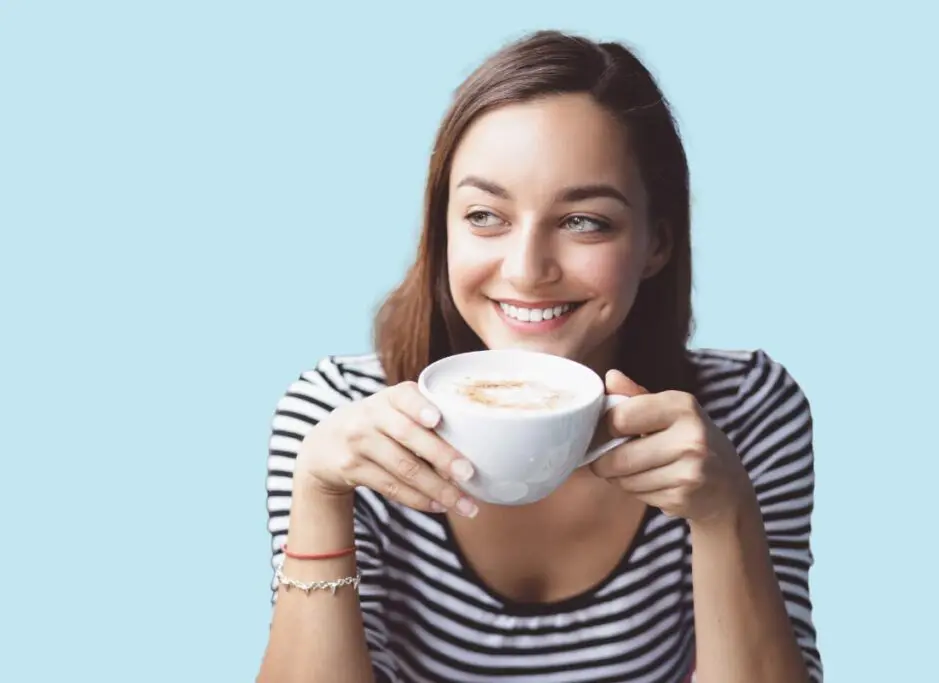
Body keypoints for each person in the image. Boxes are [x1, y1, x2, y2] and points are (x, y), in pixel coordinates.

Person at [257, 30, 823, 683]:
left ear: (657, 243)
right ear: (441, 229)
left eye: (584, 220)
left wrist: (724, 514)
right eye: (484, 215)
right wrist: (319, 493)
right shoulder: (334, 415)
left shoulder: (747, 412)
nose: (527, 270)